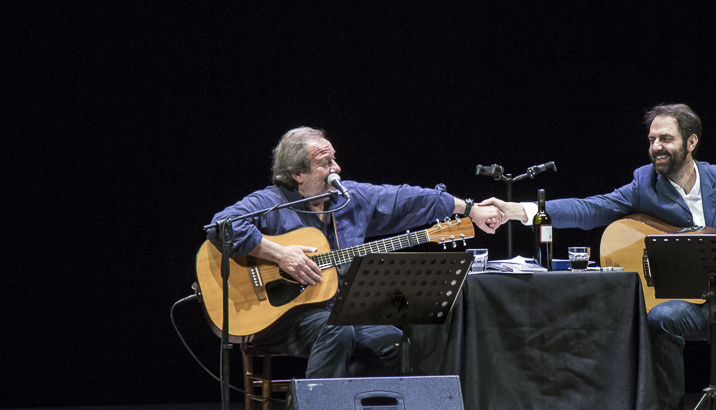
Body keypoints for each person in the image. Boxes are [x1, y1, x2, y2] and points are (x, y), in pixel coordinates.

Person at [481, 104, 716, 410]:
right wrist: (518, 211)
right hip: (699, 300)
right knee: (660, 319)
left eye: (666, 138)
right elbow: (592, 209)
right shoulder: (644, 183)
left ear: (691, 141)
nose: (656, 147)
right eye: (652, 140)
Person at [207, 126, 506, 379]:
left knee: (394, 342)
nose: (336, 168)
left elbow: (406, 199)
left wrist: (469, 208)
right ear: (297, 174)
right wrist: (279, 254)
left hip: (338, 312)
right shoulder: (271, 201)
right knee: (336, 332)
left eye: (334, 159)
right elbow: (221, 227)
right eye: (326, 162)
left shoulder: (349, 197)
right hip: (279, 317)